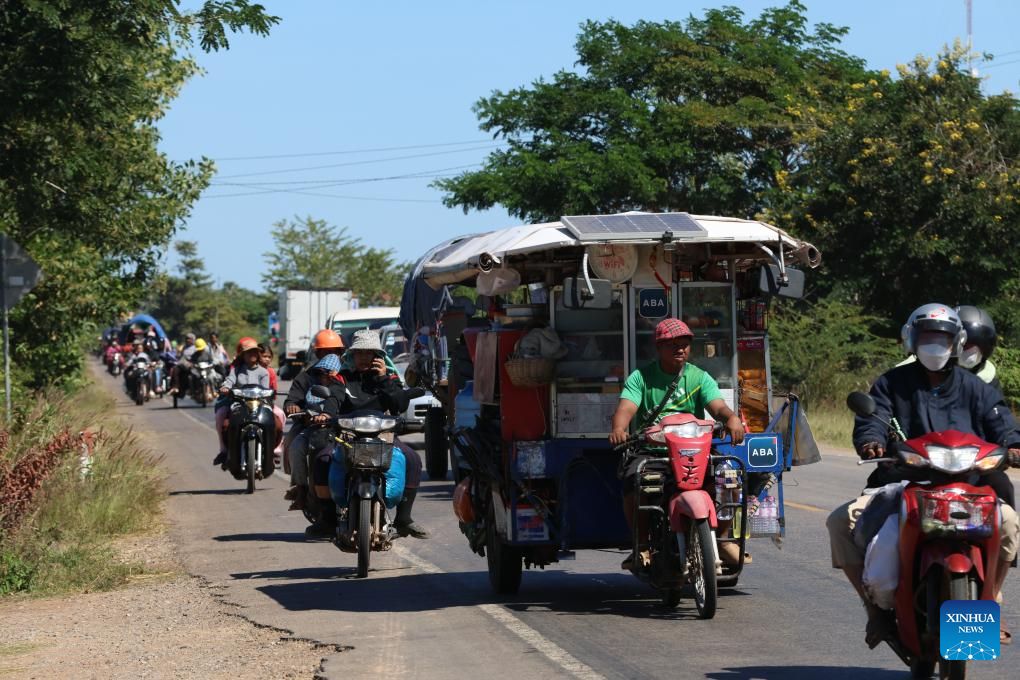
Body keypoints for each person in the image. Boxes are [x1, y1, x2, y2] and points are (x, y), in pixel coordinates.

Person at [826, 303, 1020, 648]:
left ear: (957, 342)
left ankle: (991, 599)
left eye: (942, 337)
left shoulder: (975, 388)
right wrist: (871, 442)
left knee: (1008, 523)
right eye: (928, 336)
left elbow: (1000, 421)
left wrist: (1014, 445)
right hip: (903, 482)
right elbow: (874, 417)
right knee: (840, 522)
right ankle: (876, 613)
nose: (935, 344)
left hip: (969, 484)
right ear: (912, 340)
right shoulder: (891, 383)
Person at [609, 317, 745, 570]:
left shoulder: (699, 378)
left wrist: (732, 419)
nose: (680, 349)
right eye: (672, 344)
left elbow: (718, 407)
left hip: (695, 452)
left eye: (684, 344)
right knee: (634, 481)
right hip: (654, 453)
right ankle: (641, 546)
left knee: (730, 476)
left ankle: (723, 537)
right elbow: (626, 408)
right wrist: (619, 428)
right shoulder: (641, 378)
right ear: (658, 347)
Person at [337, 329, 428, 539]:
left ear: (378, 357)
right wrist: (327, 415)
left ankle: (403, 519)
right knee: (324, 457)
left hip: (383, 436)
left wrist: (383, 379)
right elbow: (334, 400)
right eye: (360, 353)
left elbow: (398, 404)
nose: (364, 358)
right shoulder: (343, 378)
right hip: (348, 437)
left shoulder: (388, 377)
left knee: (412, 459)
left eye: (369, 353)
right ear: (352, 355)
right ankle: (325, 517)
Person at [283, 329, 346, 505]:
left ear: (341, 353)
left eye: (334, 352)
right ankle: (301, 488)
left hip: (345, 426)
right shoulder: (305, 377)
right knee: (295, 446)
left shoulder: (348, 375)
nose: (330, 356)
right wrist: (293, 407)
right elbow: (291, 400)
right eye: (325, 352)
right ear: (318, 353)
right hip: (311, 425)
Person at [213, 337, 271, 467]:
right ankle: (225, 451)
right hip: (239, 404)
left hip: (259, 405)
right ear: (243, 355)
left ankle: (271, 451)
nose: (252, 354)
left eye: (255, 352)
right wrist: (226, 387)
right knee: (223, 418)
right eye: (249, 352)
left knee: (272, 421)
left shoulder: (264, 372)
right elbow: (229, 380)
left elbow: (265, 390)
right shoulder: (236, 370)